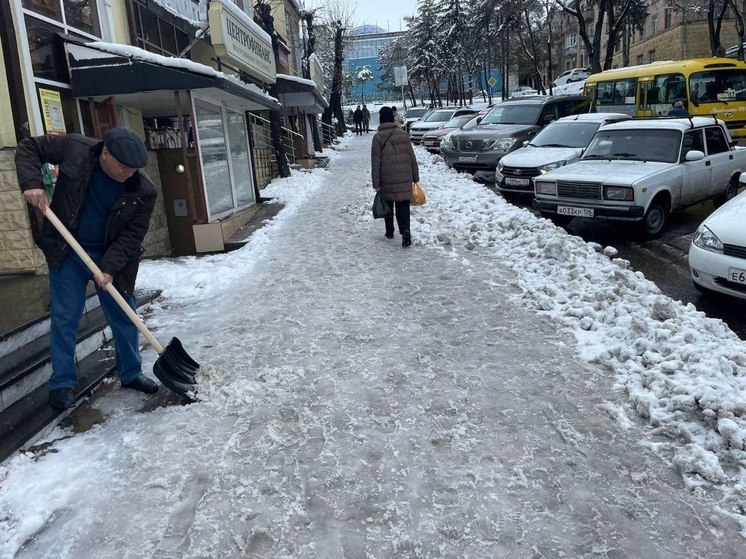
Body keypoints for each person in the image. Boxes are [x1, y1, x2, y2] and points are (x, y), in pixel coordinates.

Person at [15, 128, 160, 410]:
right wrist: (32, 183)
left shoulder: (144, 191)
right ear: (105, 152)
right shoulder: (75, 150)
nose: (129, 173)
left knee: (124, 315)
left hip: (110, 255)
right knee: (65, 317)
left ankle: (131, 373)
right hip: (68, 250)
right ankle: (62, 383)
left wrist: (108, 268)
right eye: (124, 167)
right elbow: (29, 147)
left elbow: (132, 236)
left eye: (134, 169)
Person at [371, 106, 419, 247]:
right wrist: (415, 177)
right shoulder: (403, 134)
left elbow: (376, 162)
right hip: (404, 178)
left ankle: (390, 231)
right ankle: (405, 231)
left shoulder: (378, 137)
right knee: (403, 206)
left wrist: (376, 183)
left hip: (387, 179)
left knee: (388, 205)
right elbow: (412, 157)